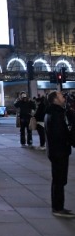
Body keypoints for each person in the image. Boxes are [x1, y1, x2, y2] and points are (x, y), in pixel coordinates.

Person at [43, 90, 75, 218]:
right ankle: (58, 207)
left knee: (58, 180)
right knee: (59, 180)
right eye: (61, 96)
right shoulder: (56, 114)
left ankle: (58, 206)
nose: (64, 98)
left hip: (56, 151)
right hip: (59, 151)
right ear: (55, 99)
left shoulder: (52, 112)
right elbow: (60, 134)